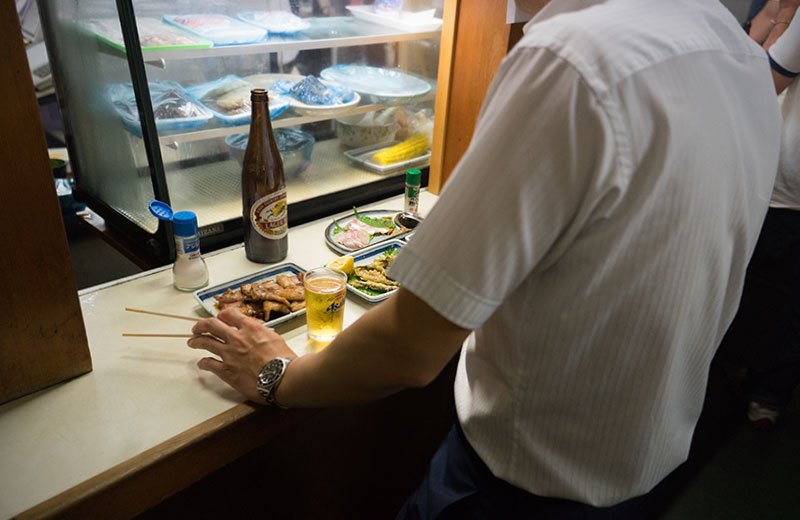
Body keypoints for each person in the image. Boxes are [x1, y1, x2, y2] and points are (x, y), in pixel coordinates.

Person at [188, 0, 782, 517]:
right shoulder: (738, 51)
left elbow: (410, 348)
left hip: (518, 493)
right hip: (650, 474)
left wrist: (277, 376)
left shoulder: (571, 57)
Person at [727, 0, 800, 430]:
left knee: (742, 285)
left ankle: (727, 381)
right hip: (781, 188)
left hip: (780, 191)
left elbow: (762, 80)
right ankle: (767, 398)